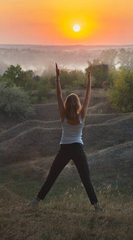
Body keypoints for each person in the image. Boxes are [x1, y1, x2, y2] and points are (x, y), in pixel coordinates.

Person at [27, 63, 104, 212]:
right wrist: (89, 79)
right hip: (78, 149)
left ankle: (36, 201)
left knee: (52, 176)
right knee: (86, 179)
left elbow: (58, 95)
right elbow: (88, 96)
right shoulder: (82, 115)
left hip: (64, 149)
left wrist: (58, 79)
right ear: (77, 104)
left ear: (67, 105)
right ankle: (97, 206)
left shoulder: (63, 115)